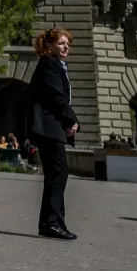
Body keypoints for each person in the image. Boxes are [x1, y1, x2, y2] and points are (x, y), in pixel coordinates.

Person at [30, 27, 79, 239]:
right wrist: (71, 119)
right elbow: (56, 96)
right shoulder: (50, 64)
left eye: (67, 43)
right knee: (58, 173)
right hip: (48, 128)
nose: (66, 46)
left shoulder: (58, 65)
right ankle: (51, 222)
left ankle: (54, 222)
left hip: (53, 127)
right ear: (48, 46)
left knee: (57, 174)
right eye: (61, 43)